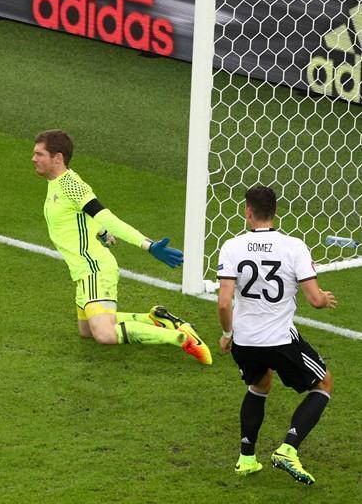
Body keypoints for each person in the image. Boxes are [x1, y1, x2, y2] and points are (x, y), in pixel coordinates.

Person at [32, 129, 211, 365]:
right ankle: (156, 319)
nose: (34, 159)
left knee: (104, 334)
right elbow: (76, 216)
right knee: (86, 331)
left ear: (57, 158)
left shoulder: (71, 185)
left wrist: (148, 245)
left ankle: (182, 338)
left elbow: (107, 216)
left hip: (94, 269)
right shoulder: (56, 183)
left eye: (39, 154)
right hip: (82, 272)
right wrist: (101, 232)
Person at [217, 185, 336, 485]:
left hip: (244, 341)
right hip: (280, 340)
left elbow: (223, 302)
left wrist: (227, 334)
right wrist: (324, 299)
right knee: (323, 384)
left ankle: (246, 459)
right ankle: (288, 449)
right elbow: (314, 299)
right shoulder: (293, 246)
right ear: (275, 212)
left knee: (259, 384)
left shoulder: (231, 246)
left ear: (248, 211)